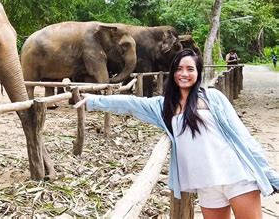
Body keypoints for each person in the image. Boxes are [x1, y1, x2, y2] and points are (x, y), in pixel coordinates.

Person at [82, 49, 278, 219]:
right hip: (206, 184)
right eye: (179, 69)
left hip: (238, 176)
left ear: (198, 73)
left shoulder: (213, 98)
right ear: (173, 72)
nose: (184, 74)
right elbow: (131, 104)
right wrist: (93, 101)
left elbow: (242, 136)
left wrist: (269, 174)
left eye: (190, 69)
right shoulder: (162, 106)